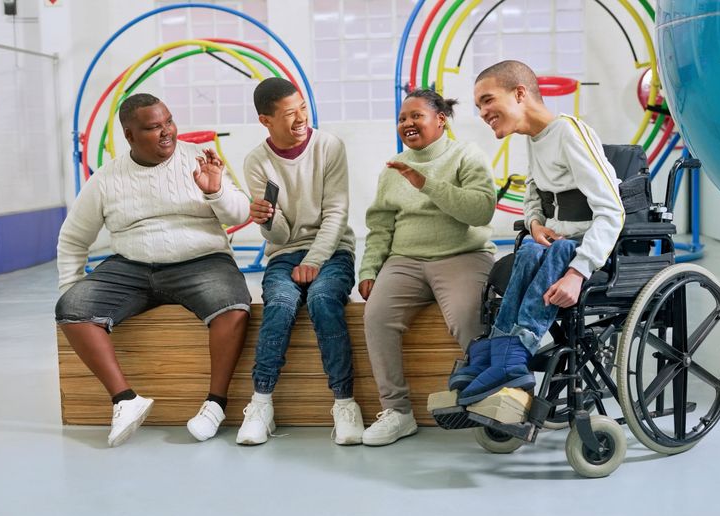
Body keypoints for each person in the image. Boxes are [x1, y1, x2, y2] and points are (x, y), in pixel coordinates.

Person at [56, 93, 252, 446]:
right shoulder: (106, 179)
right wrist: (70, 288)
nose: (167, 133)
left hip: (202, 261)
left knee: (233, 306)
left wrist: (216, 191)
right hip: (131, 266)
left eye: (169, 122)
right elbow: (72, 239)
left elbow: (240, 214)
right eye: (153, 127)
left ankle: (215, 405)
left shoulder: (199, 159)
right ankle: (125, 400)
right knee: (72, 309)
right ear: (129, 136)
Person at [451, 60, 625, 405]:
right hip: (555, 243)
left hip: (585, 249)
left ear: (519, 94)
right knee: (530, 249)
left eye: (487, 100)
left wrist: (578, 273)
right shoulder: (534, 137)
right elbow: (533, 191)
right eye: (478, 106)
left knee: (556, 253)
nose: (483, 112)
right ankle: (499, 348)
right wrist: (534, 223)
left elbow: (612, 209)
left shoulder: (569, 133)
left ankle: (516, 353)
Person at [358, 89, 497, 445]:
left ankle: (489, 400)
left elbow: (481, 211)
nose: (407, 123)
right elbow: (380, 225)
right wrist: (369, 269)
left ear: (441, 120)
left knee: (468, 317)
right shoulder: (393, 168)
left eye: (416, 116)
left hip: (463, 254)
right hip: (405, 259)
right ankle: (398, 412)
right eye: (403, 118)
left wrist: (427, 184)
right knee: (376, 316)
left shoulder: (467, 154)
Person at [239, 78, 363, 446]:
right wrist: (265, 220)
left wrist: (314, 259)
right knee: (278, 303)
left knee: (324, 300)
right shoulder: (256, 161)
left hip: (332, 250)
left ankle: (345, 403)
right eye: (289, 114)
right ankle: (261, 403)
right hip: (284, 253)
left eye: (303, 109)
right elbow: (278, 237)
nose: (300, 119)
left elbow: (337, 212)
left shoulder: (328, 146)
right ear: (266, 120)